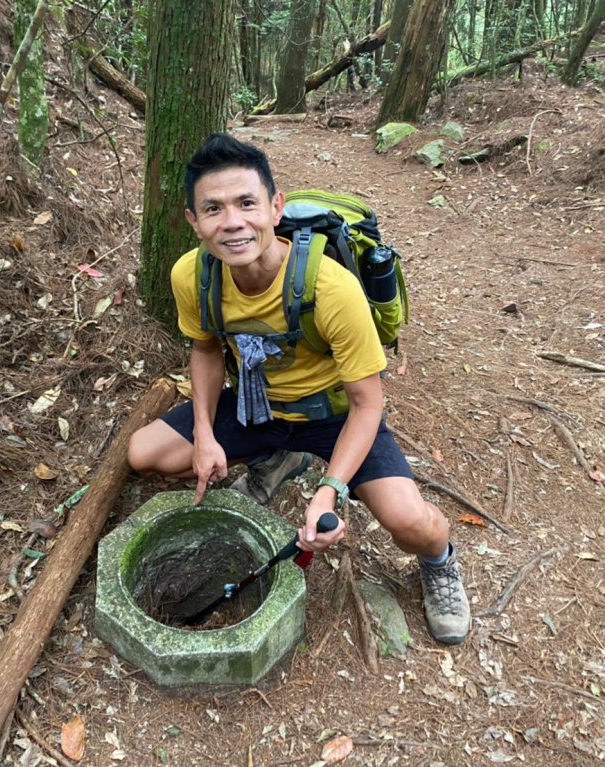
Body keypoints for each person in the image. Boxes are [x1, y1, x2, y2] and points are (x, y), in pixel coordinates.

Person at [127, 133, 470, 645]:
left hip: (332, 415)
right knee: (144, 453)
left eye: (247, 203)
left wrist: (331, 488)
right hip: (256, 407)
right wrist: (204, 432)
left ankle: (440, 564)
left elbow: (367, 402)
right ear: (193, 222)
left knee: (411, 522)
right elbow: (203, 350)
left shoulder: (331, 288)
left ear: (275, 206)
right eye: (213, 209)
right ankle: (280, 457)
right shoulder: (191, 276)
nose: (233, 222)